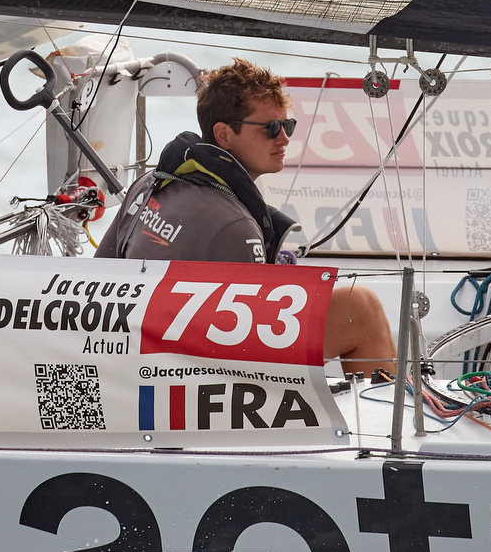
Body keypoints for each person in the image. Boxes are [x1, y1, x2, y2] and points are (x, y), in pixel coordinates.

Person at [97, 58, 398, 376]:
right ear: (224, 135)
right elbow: (255, 356)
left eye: (287, 126)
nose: (284, 139)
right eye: (271, 129)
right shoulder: (236, 227)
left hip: (131, 360)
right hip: (193, 373)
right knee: (360, 307)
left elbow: (100, 272)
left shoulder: (149, 184)